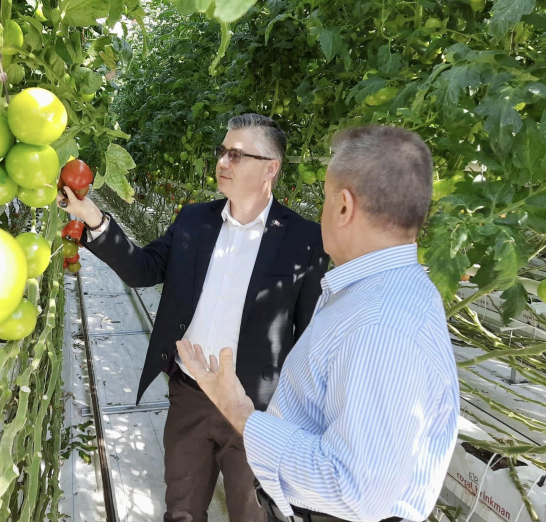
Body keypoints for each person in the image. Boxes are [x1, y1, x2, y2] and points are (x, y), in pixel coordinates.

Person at [177, 124, 460, 522]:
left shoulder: (380, 325)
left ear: (343, 206)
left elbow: (352, 489)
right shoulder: (381, 293)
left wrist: (239, 410)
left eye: (326, 198)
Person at [57, 113, 328, 522]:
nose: (222, 161)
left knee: (253, 514)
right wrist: (94, 218)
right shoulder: (194, 220)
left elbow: (310, 335)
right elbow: (143, 270)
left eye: (236, 155)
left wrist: (303, 421)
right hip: (190, 393)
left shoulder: (305, 240)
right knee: (181, 509)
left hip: (257, 410)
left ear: (270, 168)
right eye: (222, 151)